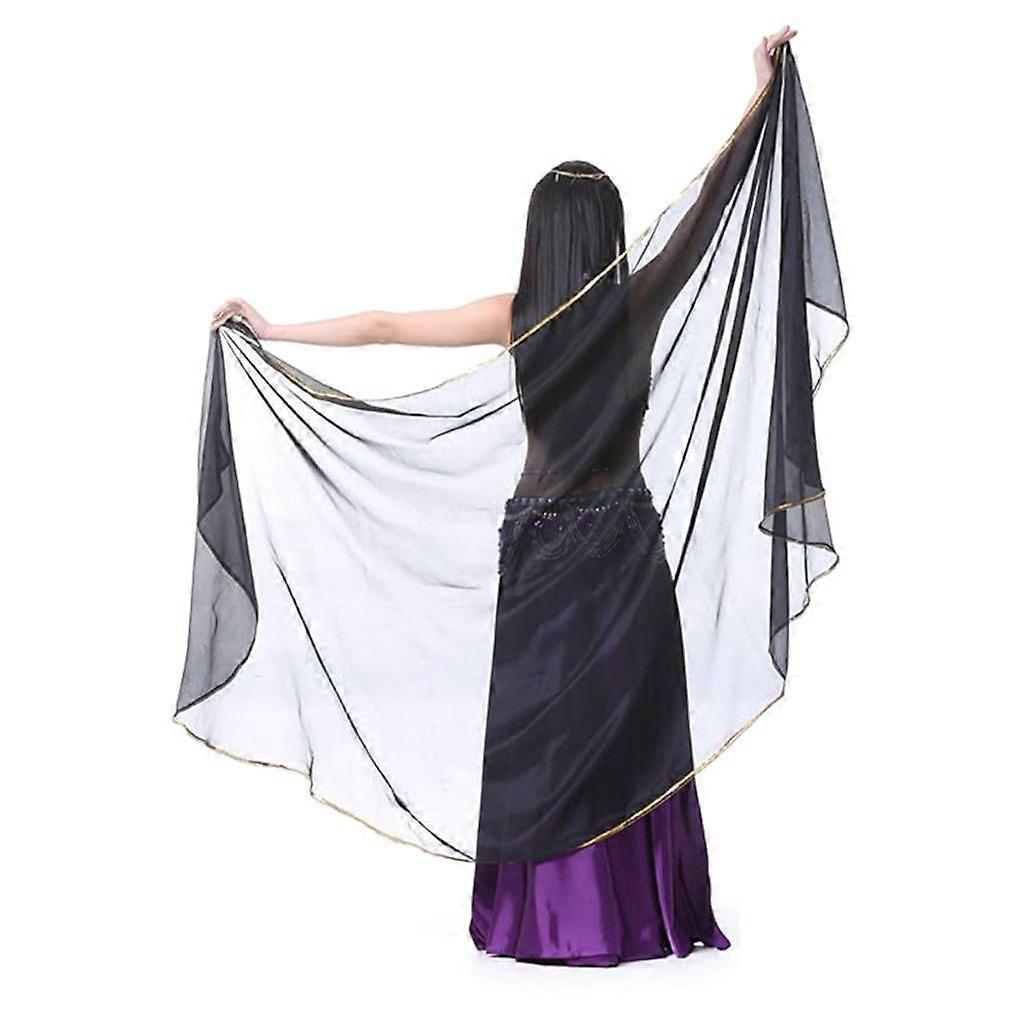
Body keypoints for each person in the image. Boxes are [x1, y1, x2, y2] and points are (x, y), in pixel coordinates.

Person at [197, 27, 835, 968]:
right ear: (608, 231)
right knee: (629, 720)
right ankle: (634, 910)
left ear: (540, 234)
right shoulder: (637, 301)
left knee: (548, 727)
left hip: (539, 544)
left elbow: (385, 326)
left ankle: (543, 917)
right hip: (623, 541)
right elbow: (712, 206)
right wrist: (759, 96)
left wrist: (276, 326)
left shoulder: (514, 316)